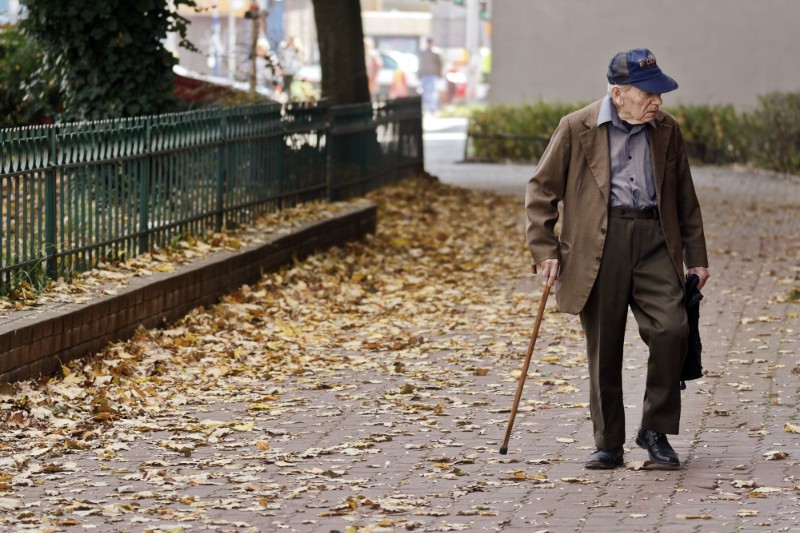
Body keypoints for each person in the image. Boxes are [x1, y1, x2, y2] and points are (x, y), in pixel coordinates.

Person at [524, 48, 710, 470]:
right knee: (604, 347)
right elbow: (541, 191)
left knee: (672, 328)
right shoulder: (577, 127)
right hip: (597, 244)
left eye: (659, 93)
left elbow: (685, 197)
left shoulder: (666, 130)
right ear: (618, 93)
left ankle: (655, 430)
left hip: (655, 239)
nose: (657, 101)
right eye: (648, 94)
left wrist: (696, 257)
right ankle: (609, 443)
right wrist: (544, 250)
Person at [418, 37, 443, 113]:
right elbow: (420, 64)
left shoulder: (435, 53)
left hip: (432, 75)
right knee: (423, 91)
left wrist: (439, 74)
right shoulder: (423, 53)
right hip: (424, 75)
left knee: (432, 92)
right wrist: (419, 74)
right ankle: (424, 107)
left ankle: (432, 108)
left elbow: (439, 64)